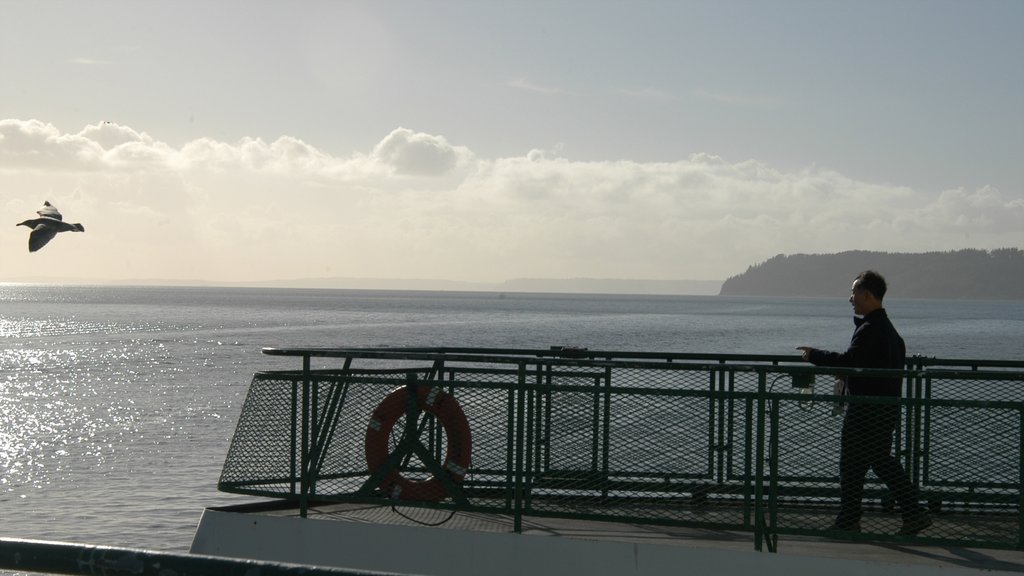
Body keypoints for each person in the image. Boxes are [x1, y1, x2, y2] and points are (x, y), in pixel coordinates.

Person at [797, 270, 932, 535]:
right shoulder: (891, 333)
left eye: (853, 292)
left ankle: (853, 521)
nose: (850, 298)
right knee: (878, 461)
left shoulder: (870, 330)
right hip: (885, 409)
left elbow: (850, 360)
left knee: (852, 465)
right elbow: (865, 364)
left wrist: (815, 355)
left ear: (867, 295)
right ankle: (908, 513)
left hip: (865, 410)